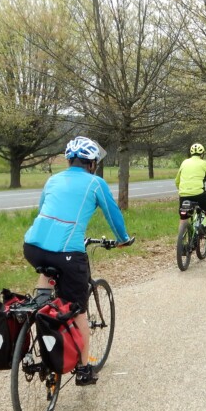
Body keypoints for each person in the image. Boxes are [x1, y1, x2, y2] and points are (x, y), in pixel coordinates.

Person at [23, 136, 134, 386]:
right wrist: (123, 239)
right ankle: (84, 370)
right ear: (92, 163)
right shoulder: (96, 183)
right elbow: (113, 214)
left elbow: (43, 211)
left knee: (47, 278)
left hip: (32, 247)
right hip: (68, 253)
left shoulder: (53, 180)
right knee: (78, 311)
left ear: (69, 160)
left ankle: (39, 313)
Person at [175, 142, 206, 231]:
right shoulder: (204, 164)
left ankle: (181, 238)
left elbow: (177, 181)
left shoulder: (184, 163)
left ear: (191, 153)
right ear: (202, 154)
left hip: (183, 195)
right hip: (198, 194)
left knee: (183, 219)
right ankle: (202, 225)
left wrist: (182, 190)